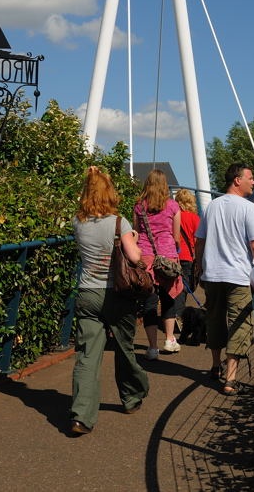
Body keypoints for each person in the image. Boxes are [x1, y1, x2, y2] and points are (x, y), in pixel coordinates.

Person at [70, 166, 149, 436]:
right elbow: (135, 257)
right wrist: (135, 240)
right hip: (117, 293)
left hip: (87, 293)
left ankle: (81, 415)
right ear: (110, 193)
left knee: (87, 355)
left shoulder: (77, 222)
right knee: (125, 349)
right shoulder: (119, 222)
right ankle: (131, 397)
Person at [194, 163, 254, 396]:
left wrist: (199, 267)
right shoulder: (248, 209)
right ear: (237, 180)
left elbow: (200, 241)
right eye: (250, 178)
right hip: (238, 276)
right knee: (240, 323)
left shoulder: (211, 207)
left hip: (213, 275)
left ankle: (216, 365)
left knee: (215, 319)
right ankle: (231, 377)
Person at [134, 169, 184, 359]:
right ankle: (170, 339)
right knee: (169, 298)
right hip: (168, 257)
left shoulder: (139, 206)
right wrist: (174, 249)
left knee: (149, 301)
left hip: (146, 256)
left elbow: (137, 231)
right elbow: (177, 235)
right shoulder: (173, 206)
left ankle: (152, 347)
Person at [174, 188, 201, 293]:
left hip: (174, 256)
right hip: (188, 257)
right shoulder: (195, 218)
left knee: (174, 287)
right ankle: (180, 308)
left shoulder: (173, 217)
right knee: (185, 288)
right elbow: (198, 241)